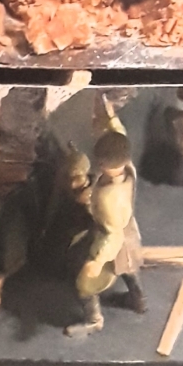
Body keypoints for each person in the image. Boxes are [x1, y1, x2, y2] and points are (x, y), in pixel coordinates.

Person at [66, 127, 145, 334]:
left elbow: (112, 234)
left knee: (85, 285)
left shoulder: (107, 198)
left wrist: (97, 261)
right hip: (128, 229)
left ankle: (93, 320)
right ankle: (138, 299)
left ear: (102, 164)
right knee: (128, 266)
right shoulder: (129, 170)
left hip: (111, 239)